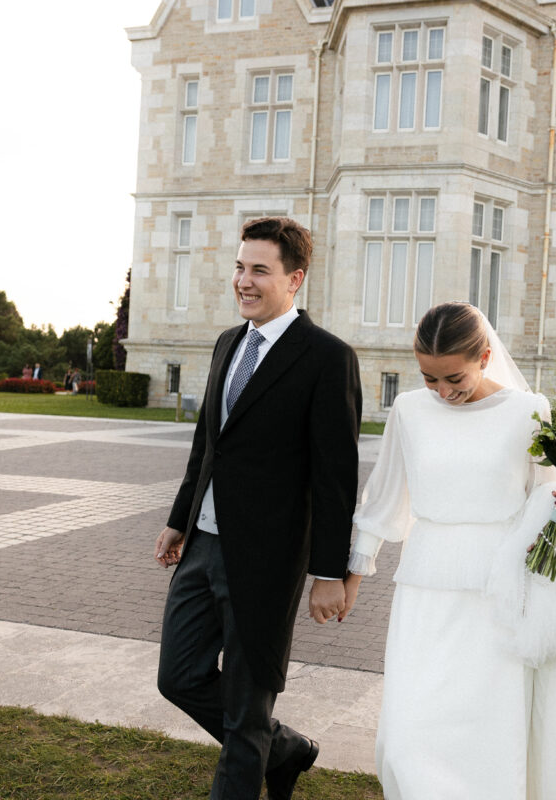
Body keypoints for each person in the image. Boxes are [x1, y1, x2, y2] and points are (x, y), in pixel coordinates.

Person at [342, 302, 556, 800]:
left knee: (488, 730)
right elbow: (385, 499)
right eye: (429, 378)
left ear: (485, 356)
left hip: (502, 591)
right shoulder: (407, 410)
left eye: (454, 378)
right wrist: (353, 574)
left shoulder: (528, 411)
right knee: (408, 728)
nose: (443, 392)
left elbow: (553, 495)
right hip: (426, 589)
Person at [153, 217, 362, 800]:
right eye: (240, 268)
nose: (244, 281)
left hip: (269, 560)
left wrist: (329, 573)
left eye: (259, 271)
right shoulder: (227, 342)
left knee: (246, 707)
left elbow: (335, 479)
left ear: (295, 279)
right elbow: (207, 444)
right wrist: (179, 518)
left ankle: (260, 746)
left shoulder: (327, 358)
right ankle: (285, 747)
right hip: (204, 542)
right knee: (179, 675)